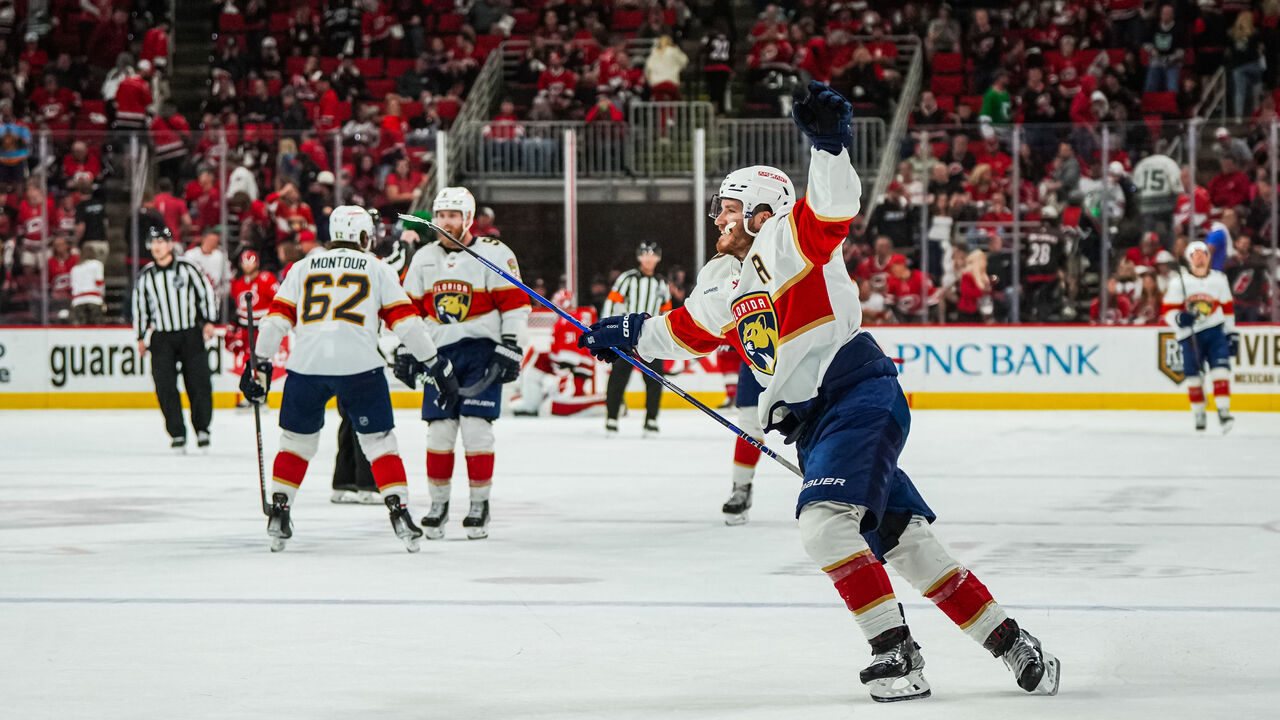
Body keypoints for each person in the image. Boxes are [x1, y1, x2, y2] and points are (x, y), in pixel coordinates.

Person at [578, 82, 1060, 703]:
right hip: (815, 424)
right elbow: (689, 331)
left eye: (727, 207)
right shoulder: (722, 277)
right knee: (909, 544)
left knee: (826, 527)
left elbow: (831, 211)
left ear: (758, 213)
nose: (716, 218)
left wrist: (829, 148)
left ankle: (897, 656)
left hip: (855, 393)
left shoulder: (790, 242)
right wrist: (628, 334)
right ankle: (1013, 643)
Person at [240, 206, 459, 553]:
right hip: (360, 365)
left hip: (306, 365)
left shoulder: (302, 266)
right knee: (379, 444)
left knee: (295, 442)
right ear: (362, 236)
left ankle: (279, 512)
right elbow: (407, 323)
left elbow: (275, 320)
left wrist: (260, 364)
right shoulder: (377, 267)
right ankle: (399, 513)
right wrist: (434, 362)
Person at [400, 187, 532, 540]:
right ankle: (438, 505)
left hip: (481, 353)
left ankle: (479, 505)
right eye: (441, 215)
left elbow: (516, 305)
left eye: (453, 216)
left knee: (476, 429)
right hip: (438, 354)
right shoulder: (424, 258)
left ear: (468, 219)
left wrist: (511, 345)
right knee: (439, 431)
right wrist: (406, 349)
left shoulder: (494, 254)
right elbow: (407, 312)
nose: (445, 222)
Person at [131, 226, 217, 452]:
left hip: (189, 333)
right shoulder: (146, 275)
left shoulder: (188, 268)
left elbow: (205, 292)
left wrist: (208, 320)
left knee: (199, 383)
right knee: (165, 386)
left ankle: (202, 429)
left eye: (161, 242)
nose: (157, 246)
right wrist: (140, 336)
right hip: (162, 338)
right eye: (153, 242)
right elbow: (140, 306)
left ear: (170, 245)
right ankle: (177, 432)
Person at [1161, 240, 1238, 434]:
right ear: (1189, 258)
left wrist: (1231, 333)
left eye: (1203, 253)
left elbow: (1227, 309)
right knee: (1193, 378)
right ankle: (1199, 412)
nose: (1199, 257)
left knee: (1221, 371)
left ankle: (1223, 411)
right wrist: (1179, 318)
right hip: (1189, 335)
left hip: (1215, 330)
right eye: (1195, 254)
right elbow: (1168, 311)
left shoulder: (1219, 279)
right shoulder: (1178, 282)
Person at [602, 242, 672, 436]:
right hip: (626, 337)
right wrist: (607, 332)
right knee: (618, 379)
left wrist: (667, 338)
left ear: (658, 258)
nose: (648, 258)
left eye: (652, 255)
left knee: (654, 380)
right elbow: (612, 303)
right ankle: (612, 418)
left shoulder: (661, 283)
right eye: (644, 254)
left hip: (652, 338)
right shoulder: (627, 278)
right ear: (639, 257)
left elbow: (666, 313)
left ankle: (651, 420)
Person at [227, 250, 279, 407]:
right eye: (245, 261)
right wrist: (233, 325)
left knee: (261, 360)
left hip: (262, 328)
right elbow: (237, 308)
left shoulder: (267, 279)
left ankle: (261, 393)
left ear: (257, 262)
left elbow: (278, 300)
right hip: (245, 328)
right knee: (248, 361)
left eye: (251, 261)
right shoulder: (238, 284)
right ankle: (251, 392)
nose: (248, 265)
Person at [184, 231, 232, 314]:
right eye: (209, 240)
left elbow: (227, 280)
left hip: (214, 299)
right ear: (203, 240)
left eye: (215, 242)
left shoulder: (220, 256)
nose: (211, 243)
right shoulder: (190, 255)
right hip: (193, 299)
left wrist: (219, 294)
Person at [69, 244, 105, 325]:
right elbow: (99, 282)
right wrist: (102, 297)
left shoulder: (74, 268)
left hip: (77, 301)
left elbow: (72, 287)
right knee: (97, 329)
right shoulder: (97, 264)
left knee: (81, 329)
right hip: (94, 299)